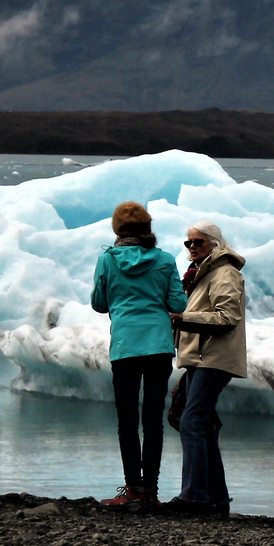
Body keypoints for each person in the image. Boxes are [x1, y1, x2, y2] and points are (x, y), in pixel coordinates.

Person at [91, 202, 187, 511]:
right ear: (148, 228)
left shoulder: (107, 260)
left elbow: (99, 303)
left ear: (117, 229)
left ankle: (132, 489)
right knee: (153, 419)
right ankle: (151, 491)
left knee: (127, 420)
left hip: (125, 347)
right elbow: (178, 303)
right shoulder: (165, 260)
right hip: (158, 346)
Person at [168, 222, 247, 517]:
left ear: (214, 243)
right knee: (199, 423)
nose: (191, 247)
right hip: (201, 357)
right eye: (188, 243)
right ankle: (216, 499)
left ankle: (195, 496)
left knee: (192, 420)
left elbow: (228, 317)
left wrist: (183, 319)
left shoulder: (224, 273)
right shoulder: (201, 274)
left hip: (214, 358)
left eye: (198, 242)